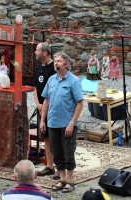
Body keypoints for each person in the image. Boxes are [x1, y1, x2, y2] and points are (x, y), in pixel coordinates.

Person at [40, 52, 83, 193]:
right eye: (55, 61)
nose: (55, 63)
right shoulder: (51, 80)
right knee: (56, 152)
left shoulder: (74, 81)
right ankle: (62, 179)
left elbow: (80, 104)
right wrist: (42, 120)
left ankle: (70, 181)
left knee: (68, 153)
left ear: (66, 64)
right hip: (53, 122)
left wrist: (72, 123)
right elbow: (46, 100)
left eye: (58, 61)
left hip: (67, 124)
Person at [33, 42, 59, 179]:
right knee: (46, 138)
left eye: (37, 50)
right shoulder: (37, 68)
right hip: (41, 108)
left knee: (55, 137)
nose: (35, 53)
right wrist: (38, 104)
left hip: (53, 108)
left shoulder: (54, 68)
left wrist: (47, 105)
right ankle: (49, 166)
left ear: (45, 53)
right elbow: (35, 88)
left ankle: (59, 166)